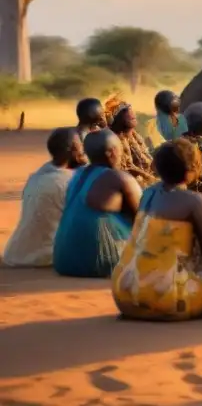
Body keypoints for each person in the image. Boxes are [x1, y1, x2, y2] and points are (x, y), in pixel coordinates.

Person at [112, 139, 202, 321]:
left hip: (124, 293)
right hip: (167, 298)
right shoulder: (195, 202)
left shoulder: (147, 193)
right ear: (190, 171)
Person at [52, 129, 142, 278]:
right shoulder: (119, 178)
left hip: (63, 261)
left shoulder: (77, 174)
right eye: (120, 149)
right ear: (111, 152)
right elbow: (144, 216)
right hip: (100, 264)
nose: (122, 154)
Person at [3, 128, 87, 267]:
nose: (83, 151)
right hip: (46, 255)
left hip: (15, 253)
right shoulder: (71, 182)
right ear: (71, 151)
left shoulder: (36, 177)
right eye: (79, 147)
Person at [105, 97, 156, 186]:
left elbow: (146, 158)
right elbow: (128, 169)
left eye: (130, 109)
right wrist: (149, 178)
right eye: (124, 111)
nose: (131, 113)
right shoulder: (117, 141)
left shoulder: (134, 135)